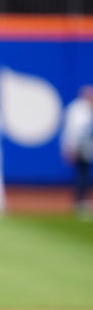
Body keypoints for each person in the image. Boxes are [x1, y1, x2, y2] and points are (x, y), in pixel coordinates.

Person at [60, 85, 93, 217]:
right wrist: (68, 147)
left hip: (88, 146)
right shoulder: (76, 109)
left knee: (85, 174)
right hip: (78, 146)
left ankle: (82, 200)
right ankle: (80, 201)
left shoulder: (88, 108)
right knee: (82, 174)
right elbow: (71, 130)